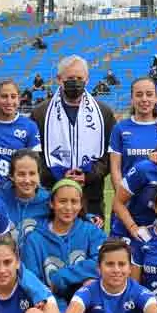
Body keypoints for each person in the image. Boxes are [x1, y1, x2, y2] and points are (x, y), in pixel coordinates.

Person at [31, 55, 116, 217]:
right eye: (70, 78)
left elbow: (109, 156)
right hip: (51, 195)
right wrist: (57, 173)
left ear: (87, 80)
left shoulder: (104, 113)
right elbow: (35, 156)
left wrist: (89, 174)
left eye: (79, 78)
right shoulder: (41, 113)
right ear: (59, 79)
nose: (75, 82)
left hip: (91, 198)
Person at [20, 179, 105, 310]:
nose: (68, 208)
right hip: (51, 305)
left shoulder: (92, 231)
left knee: (91, 284)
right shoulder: (34, 238)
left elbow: (102, 262)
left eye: (74, 202)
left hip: (83, 304)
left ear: (81, 204)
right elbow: (31, 278)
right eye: (62, 201)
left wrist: (61, 277)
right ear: (51, 203)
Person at [0, 80, 41, 193]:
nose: (9, 101)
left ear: (19, 99)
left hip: (14, 194)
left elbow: (34, 164)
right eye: (4, 96)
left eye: (13, 97)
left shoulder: (29, 126)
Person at [109, 77, 157, 194]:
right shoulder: (120, 128)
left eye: (149, 94)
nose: (144, 99)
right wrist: (122, 198)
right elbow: (115, 169)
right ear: (131, 99)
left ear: (156, 98)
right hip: (128, 200)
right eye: (139, 95)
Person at [0, 150, 51, 250]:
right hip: (5, 262)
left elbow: (70, 212)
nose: (27, 180)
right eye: (21, 174)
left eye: (32, 173)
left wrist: (88, 217)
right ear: (11, 176)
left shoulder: (50, 201)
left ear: (39, 175)